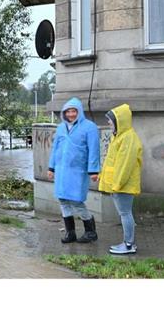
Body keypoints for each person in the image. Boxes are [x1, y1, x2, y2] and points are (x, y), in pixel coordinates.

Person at [47, 97, 100, 243]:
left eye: (74, 111)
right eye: (68, 111)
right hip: (61, 171)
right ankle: (70, 233)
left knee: (77, 201)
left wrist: (93, 170)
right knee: (63, 199)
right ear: (64, 113)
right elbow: (55, 148)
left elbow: (94, 150)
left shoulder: (90, 127)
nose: (71, 114)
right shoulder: (60, 128)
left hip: (78, 171)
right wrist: (51, 167)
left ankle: (91, 232)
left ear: (79, 111)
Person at [99, 103, 143, 255]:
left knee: (125, 214)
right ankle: (128, 243)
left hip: (122, 185)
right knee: (125, 213)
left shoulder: (128, 138)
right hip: (118, 185)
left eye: (110, 120)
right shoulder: (121, 136)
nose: (108, 122)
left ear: (119, 120)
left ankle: (129, 245)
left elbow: (125, 165)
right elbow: (113, 161)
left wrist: (117, 185)